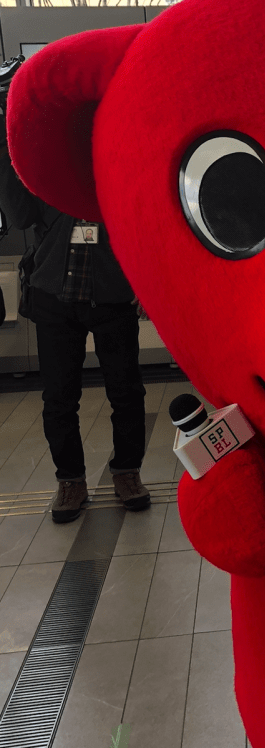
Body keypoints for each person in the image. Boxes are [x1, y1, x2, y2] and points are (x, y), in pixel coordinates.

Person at [0, 76, 150, 523]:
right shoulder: (47, 163)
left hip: (112, 295)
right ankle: (71, 481)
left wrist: (146, 283)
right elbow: (22, 215)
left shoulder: (122, 163)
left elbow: (142, 226)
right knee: (58, 397)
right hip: (55, 296)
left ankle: (127, 472)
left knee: (127, 391)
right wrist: (8, 148)